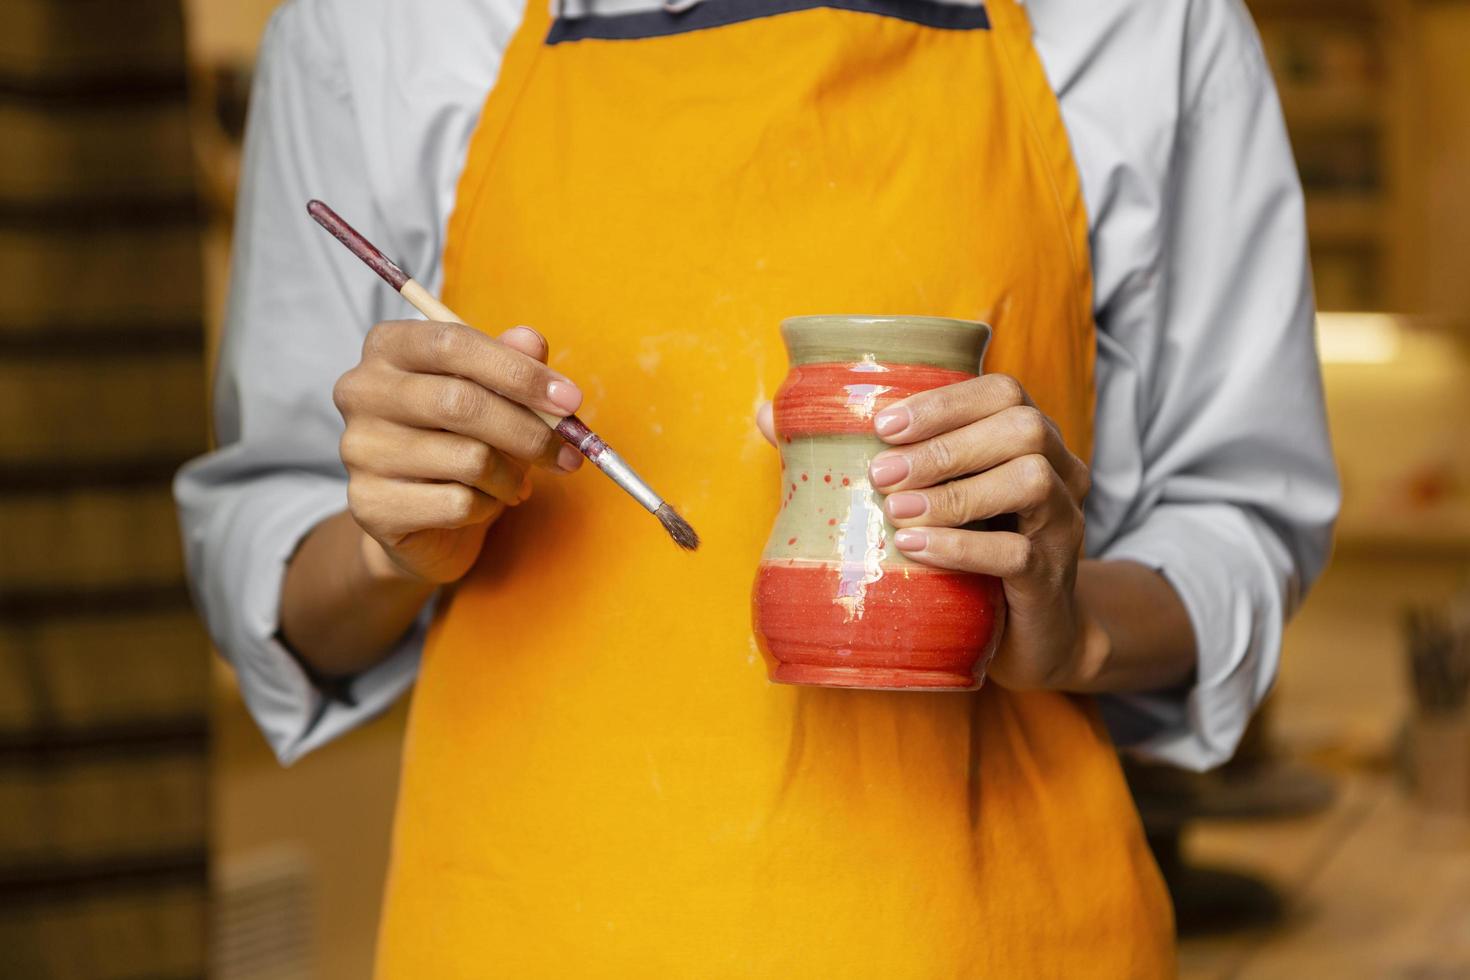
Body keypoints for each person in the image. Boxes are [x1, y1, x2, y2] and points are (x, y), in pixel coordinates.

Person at [175, 0, 1339, 972]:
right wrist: (389, 545)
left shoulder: (1145, 24)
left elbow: (1242, 521)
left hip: (987, 929)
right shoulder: (373, 28)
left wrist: (1074, 627)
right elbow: (273, 590)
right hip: (533, 926)